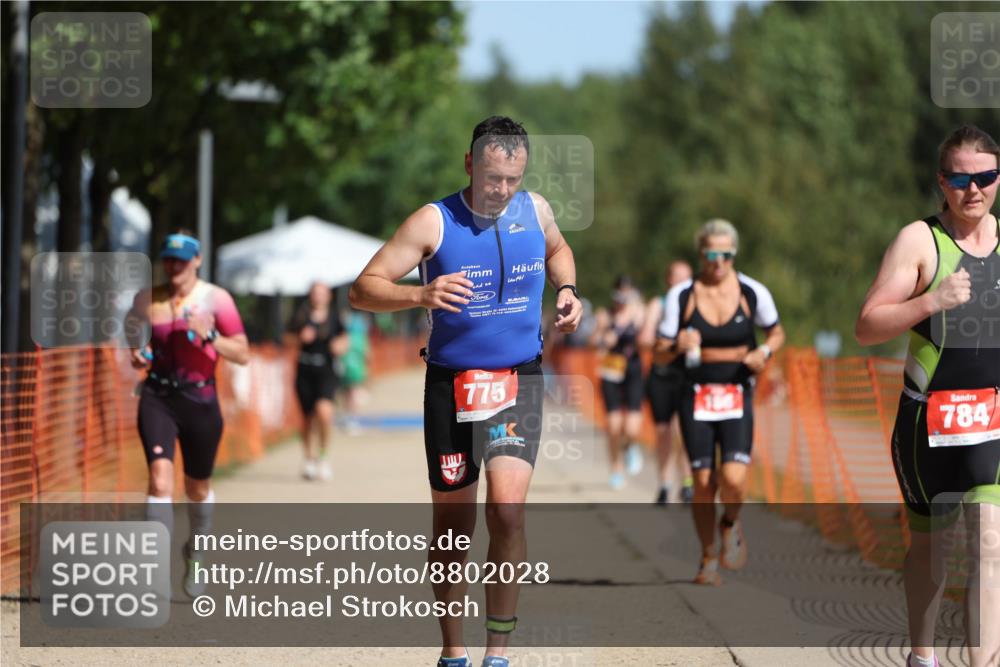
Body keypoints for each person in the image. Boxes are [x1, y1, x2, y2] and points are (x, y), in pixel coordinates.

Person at [350, 115, 582, 667]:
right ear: (469, 164)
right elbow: (363, 289)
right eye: (491, 178)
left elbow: (558, 250)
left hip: (517, 380)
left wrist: (569, 289)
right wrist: (419, 295)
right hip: (451, 385)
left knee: (507, 512)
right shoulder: (433, 221)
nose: (501, 190)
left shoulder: (536, 210)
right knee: (455, 528)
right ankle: (453, 649)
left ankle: (497, 653)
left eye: (512, 180)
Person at [855, 124, 1000, 667]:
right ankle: (922, 656)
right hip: (928, 426)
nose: (973, 190)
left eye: (985, 177)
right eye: (960, 179)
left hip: (992, 423)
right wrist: (931, 301)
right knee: (931, 552)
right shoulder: (919, 241)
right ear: (942, 181)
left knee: (990, 549)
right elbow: (867, 326)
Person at [655, 219, 784, 586]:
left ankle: (730, 521)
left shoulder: (752, 292)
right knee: (702, 482)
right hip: (694, 394)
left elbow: (776, 333)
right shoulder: (682, 295)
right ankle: (708, 557)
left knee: (733, 478)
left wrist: (763, 352)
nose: (719, 263)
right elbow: (658, 353)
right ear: (701, 254)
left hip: (736, 393)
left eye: (726, 255)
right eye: (712, 255)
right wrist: (675, 345)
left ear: (734, 254)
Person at [126, 229, 249, 596]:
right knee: (159, 481)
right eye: (168, 259)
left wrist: (210, 336)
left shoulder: (217, 299)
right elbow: (132, 329)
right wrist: (136, 352)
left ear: (197, 260)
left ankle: (196, 552)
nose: (174, 266)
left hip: (200, 400)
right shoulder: (147, 299)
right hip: (158, 396)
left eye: (181, 260)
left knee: (197, 488)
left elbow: (242, 353)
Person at [639, 260, 695, 504]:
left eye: (686, 277)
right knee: (663, 432)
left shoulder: (697, 303)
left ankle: (688, 483)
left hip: (688, 375)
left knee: (685, 430)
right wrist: (670, 344)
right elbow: (644, 340)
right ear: (668, 280)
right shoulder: (659, 304)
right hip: (662, 375)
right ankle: (664, 483)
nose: (682, 282)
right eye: (677, 277)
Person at [284, 282, 349, 481]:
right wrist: (300, 338)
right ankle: (308, 458)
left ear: (328, 296)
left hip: (326, 369)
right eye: (315, 293)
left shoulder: (334, 316)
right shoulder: (300, 315)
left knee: (324, 412)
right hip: (305, 369)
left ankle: (323, 456)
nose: (318, 297)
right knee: (307, 419)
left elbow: (344, 338)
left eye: (322, 293)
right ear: (310, 295)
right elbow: (286, 338)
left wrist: (340, 346)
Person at [590, 276, 646, 490]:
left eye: (626, 294)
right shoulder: (605, 314)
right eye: (619, 294)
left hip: (633, 371)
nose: (622, 299)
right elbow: (592, 342)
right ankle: (616, 469)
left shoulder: (639, 313)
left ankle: (631, 446)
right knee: (613, 426)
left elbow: (647, 338)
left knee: (632, 426)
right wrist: (604, 337)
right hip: (611, 371)